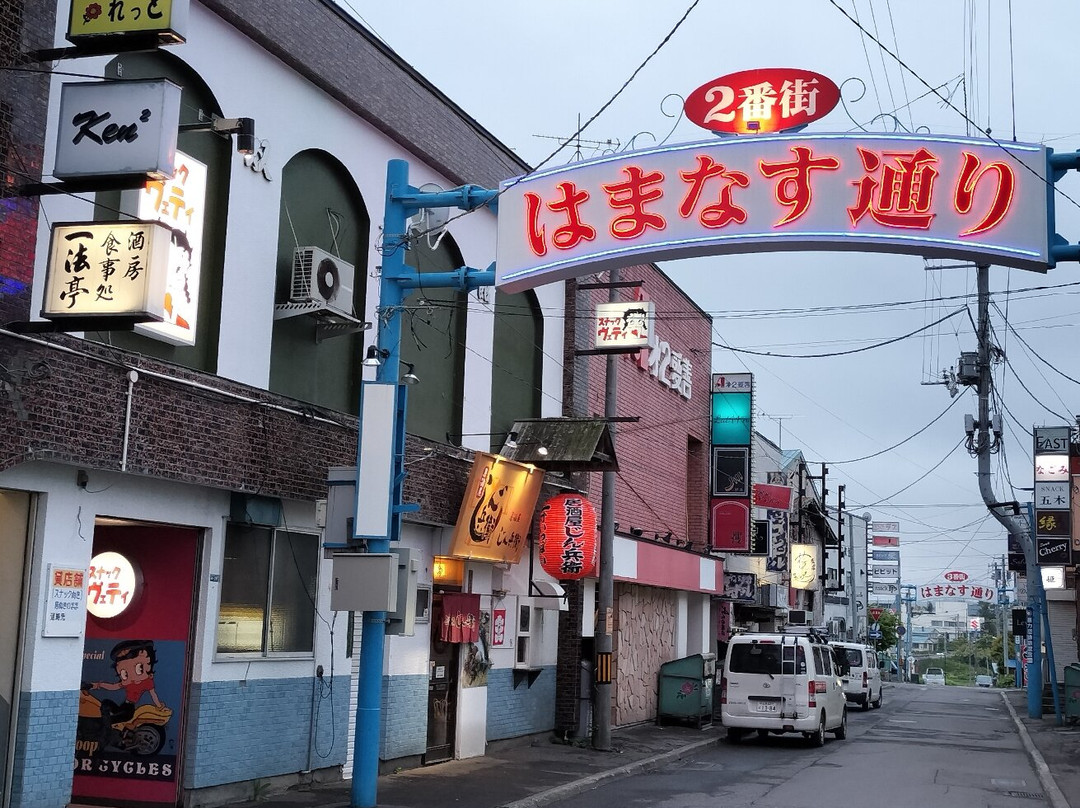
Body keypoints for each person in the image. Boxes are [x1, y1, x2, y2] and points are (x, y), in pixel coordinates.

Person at [92, 639, 165, 728]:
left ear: (148, 666)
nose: (131, 675)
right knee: (106, 703)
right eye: (124, 673)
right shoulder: (127, 683)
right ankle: (102, 724)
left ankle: (102, 727)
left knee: (112, 720)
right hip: (123, 706)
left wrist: (159, 705)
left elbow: (153, 695)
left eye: (139, 668)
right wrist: (99, 685)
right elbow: (114, 687)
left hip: (129, 710)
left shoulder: (146, 682)